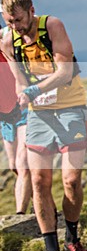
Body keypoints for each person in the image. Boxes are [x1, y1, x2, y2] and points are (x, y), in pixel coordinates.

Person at [0, 0, 87, 251]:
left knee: (71, 180)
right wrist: (21, 97)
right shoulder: (9, 40)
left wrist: (34, 90)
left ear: (31, 11)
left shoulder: (52, 27)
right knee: (39, 180)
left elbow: (65, 72)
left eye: (18, 20)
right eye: (9, 22)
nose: (15, 26)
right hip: (39, 114)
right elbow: (19, 80)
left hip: (70, 107)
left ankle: (72, 235)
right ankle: (51, 248)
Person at [0, 47, 31, 214]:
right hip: (5, 115)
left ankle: (21, 213)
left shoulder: (7, 45)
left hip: (24, 107)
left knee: (23, 163)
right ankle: (41, 201)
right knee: (14, 166)